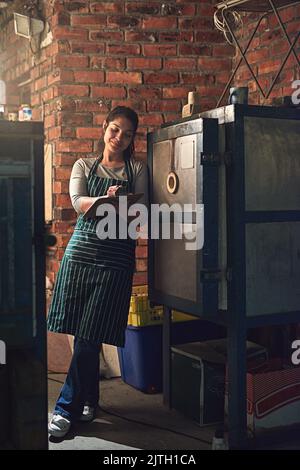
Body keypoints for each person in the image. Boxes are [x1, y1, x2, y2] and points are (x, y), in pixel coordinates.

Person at [47, 106, 148, 438]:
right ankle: (89, 399)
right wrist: (106, 200)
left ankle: (64, 409)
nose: (119, 138)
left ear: (133, 138)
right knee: (80, 333)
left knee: (90, 334)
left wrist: (111, 204)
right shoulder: (84, 165)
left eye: (127, 134)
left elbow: (140, 212)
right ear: (104, 128)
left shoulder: (137, 169)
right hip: (81, 255)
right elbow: (78, 202)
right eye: (115, 129)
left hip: (115, 261)